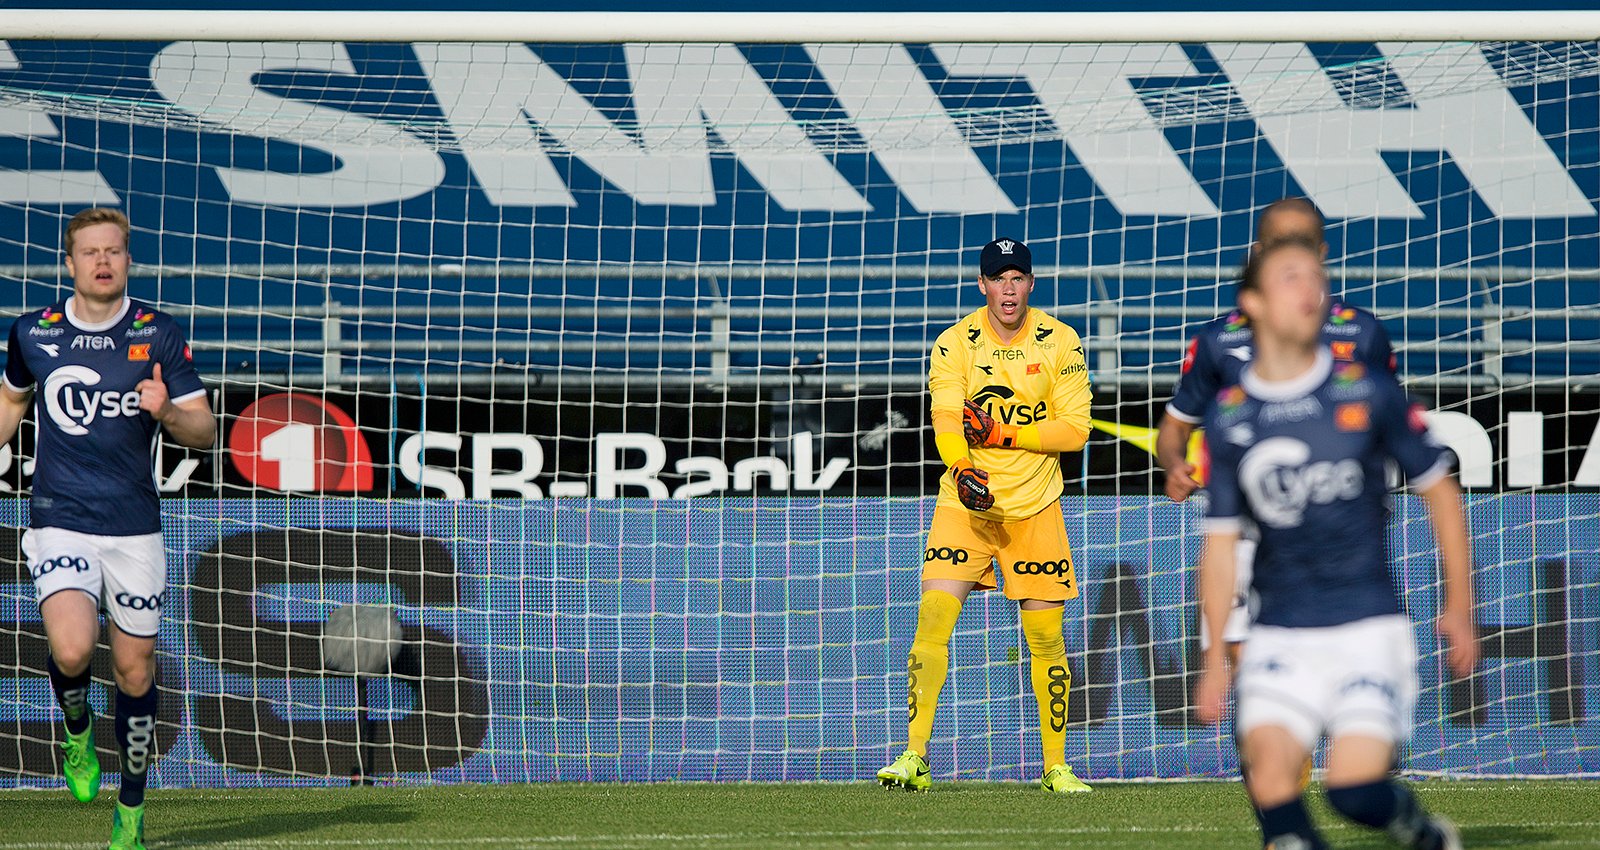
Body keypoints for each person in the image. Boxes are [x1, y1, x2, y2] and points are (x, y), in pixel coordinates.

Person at [1192, 236, 1477, 850]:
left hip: (1367, 631)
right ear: (1252, 304)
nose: (1310, 288)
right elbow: (1218, 546)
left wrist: (1459, 605)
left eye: (1314, 275)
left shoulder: (1367, 390)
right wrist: (1214, 658)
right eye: (1290, 276)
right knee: (1271, 784)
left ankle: (1423, 834)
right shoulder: (1230, 416)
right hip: (1279, 636)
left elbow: (1441, 491)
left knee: (1353, 792)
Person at [0, 208, 215, 850]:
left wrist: (167, 411)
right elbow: (10, 401)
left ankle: (132, 808)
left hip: (134, 528)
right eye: (90, 252)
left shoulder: (158, 333)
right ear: (69, 263)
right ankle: (77, 730)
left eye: (113, 251)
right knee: (71, 650)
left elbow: (204, 431)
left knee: (134, 672)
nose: (102, 261)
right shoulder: (33, 332)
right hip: (60, 517)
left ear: (127, 260)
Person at [876, 237, 1093, 793]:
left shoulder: (1061, 340)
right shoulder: (954, 343)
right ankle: (914, 757)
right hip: (966, 502)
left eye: (1017, 278)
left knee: (1046, 639)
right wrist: (962, 467)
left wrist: (1003, 433)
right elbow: (946, 418)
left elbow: (1075, 431)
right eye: (998, 279)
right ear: (982, 285)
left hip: (1034, 506)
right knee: (933, 617)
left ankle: (1055, 766)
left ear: (1031, 284)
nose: (1008, 289)